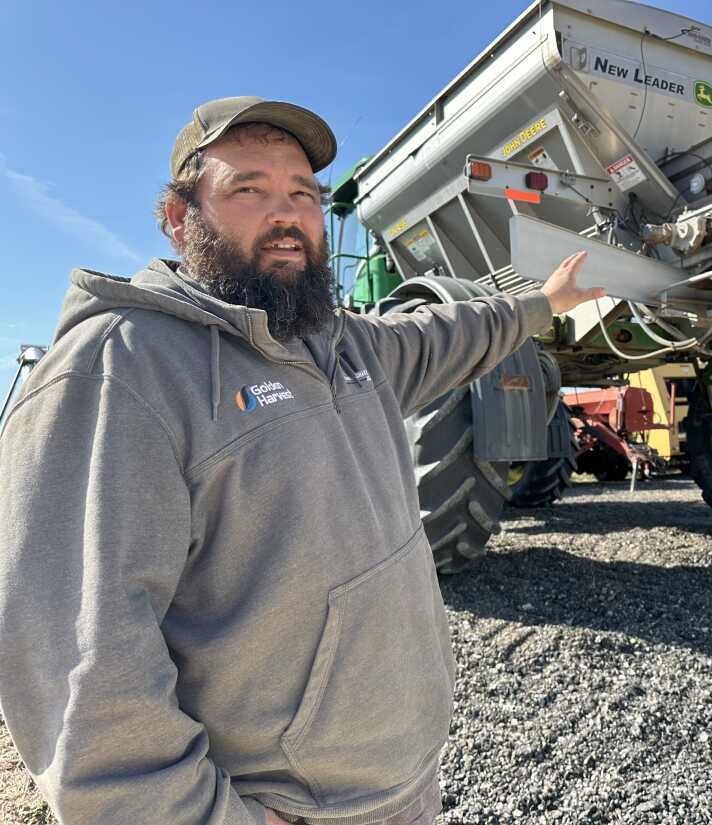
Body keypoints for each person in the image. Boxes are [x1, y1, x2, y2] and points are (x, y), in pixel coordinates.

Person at [0, 96, 604, 825]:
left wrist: (543, 302)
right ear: (177, 217)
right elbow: (77, 668)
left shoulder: (347, 347)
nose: (285, 214)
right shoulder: (123, 370)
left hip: (404, 785)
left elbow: (453, 329)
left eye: (303, 194)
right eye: (247, 189)